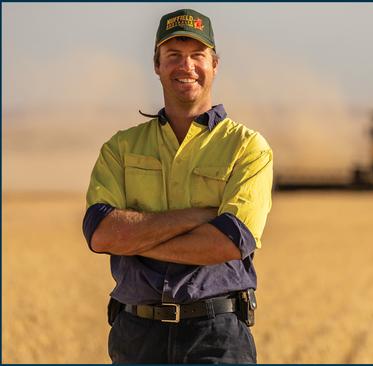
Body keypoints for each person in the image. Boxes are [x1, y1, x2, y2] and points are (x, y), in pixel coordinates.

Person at [82, 8, 272, 363]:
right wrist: (198, 217)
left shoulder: (247, 147)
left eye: (197, 56)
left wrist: (135, 241)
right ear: (157, 65)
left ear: (214, 64)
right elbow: (102, 235)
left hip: (217, 336)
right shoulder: (121, 148)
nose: (186, 66)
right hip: (135, 335)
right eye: (173, 56)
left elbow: (229, 242)